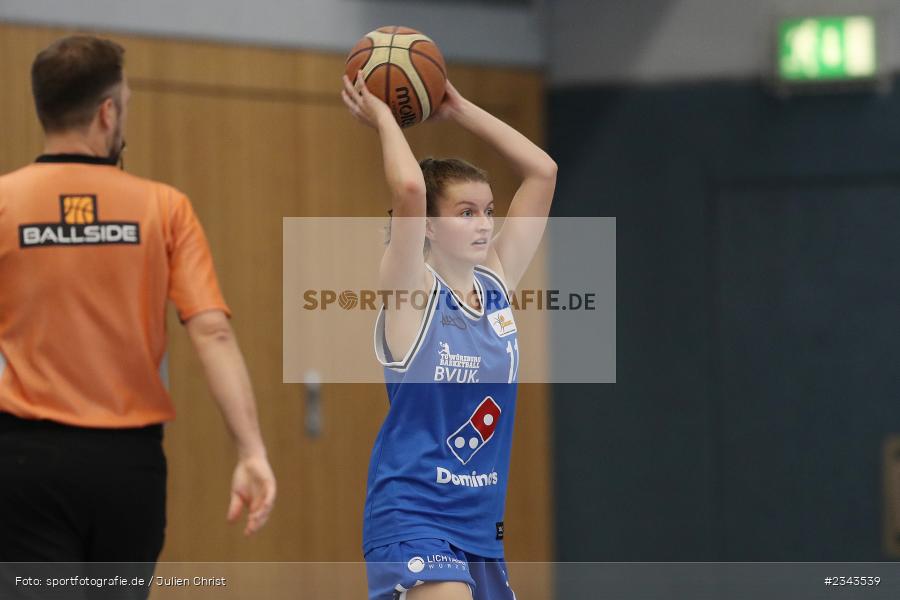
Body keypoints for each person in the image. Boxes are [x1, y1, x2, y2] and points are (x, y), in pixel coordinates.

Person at [0, 35, 276, 598]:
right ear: (108, 112)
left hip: (25, 461)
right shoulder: (164, 207)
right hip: (126, 467)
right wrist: (251, 451)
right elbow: (213, 331)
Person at [341, 71, 556, 600]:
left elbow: (543, 172)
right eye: (466, 213)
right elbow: (411, 188)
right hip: (413, 511)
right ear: (429, 228)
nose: (484, 224)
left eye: (487, 211)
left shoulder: (497, 281)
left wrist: (459, 109)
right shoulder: (411, 292)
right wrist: (386, 117)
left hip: (481, 521)